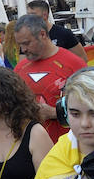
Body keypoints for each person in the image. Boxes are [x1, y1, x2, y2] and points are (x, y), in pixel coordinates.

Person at [12, 13, 86, 142]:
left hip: (68, 148)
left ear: (42, 34)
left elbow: (93, 107)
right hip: (29, 147)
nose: (23, 49)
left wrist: (54, 112)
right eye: (20, 45)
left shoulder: (74, 64)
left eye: (27, 43)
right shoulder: (19, 69)